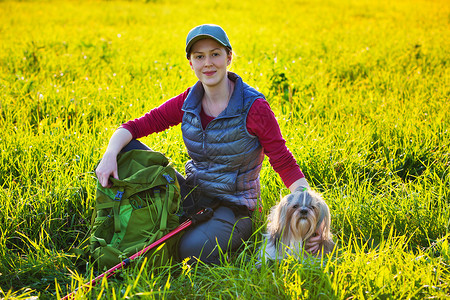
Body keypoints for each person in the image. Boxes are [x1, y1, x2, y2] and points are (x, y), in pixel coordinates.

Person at [95, 24, 323, 265]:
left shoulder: (254, 107)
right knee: (125, 150)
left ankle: (199, 236)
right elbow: (134, 127)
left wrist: (310, 214)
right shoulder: (188, 101)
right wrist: (110, 154)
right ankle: (127, 219)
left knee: (190, 250)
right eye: (199, 56)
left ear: (229, 57)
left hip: (233, 208)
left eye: (215, 54)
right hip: (191, 193)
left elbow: (283, 160)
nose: (208, 63)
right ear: (191, 63)